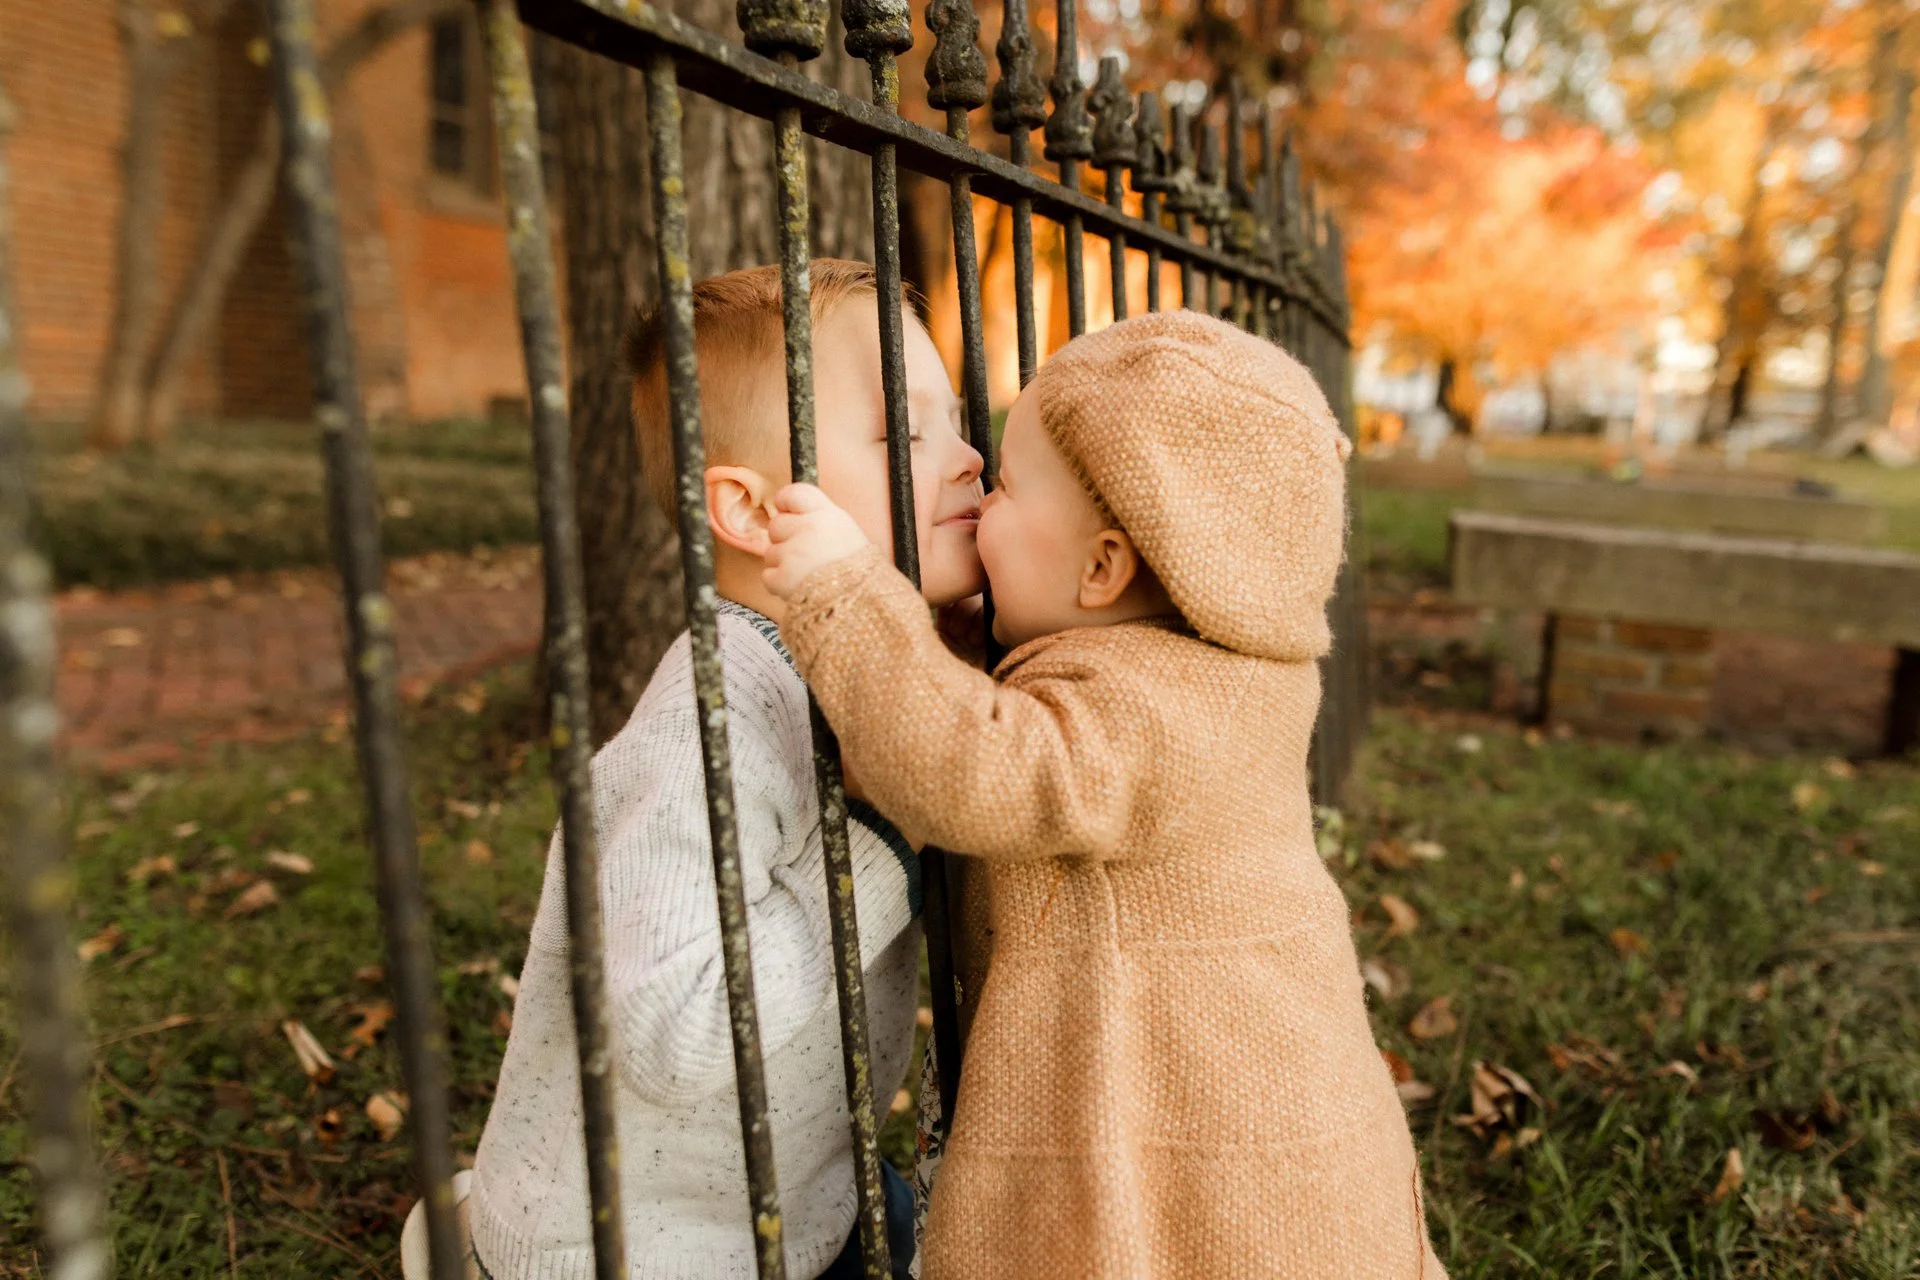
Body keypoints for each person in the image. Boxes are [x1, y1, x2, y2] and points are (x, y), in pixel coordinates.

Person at [761, 309, 1448, 1279]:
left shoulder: (1159, 714)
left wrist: (844, 594)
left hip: (1214, 1148)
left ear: (1102, 568)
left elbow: (978, 773)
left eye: (1004, 486)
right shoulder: (1200, 673)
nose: (977, 492)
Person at [426, 260, 985, 1280]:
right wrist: (882, 832)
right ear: (755, 511)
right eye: (907, 434)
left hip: (794, 1200)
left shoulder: (869, 670)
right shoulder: (712, 716)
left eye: (954, 422)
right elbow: (672, 1030)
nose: (969, 458)